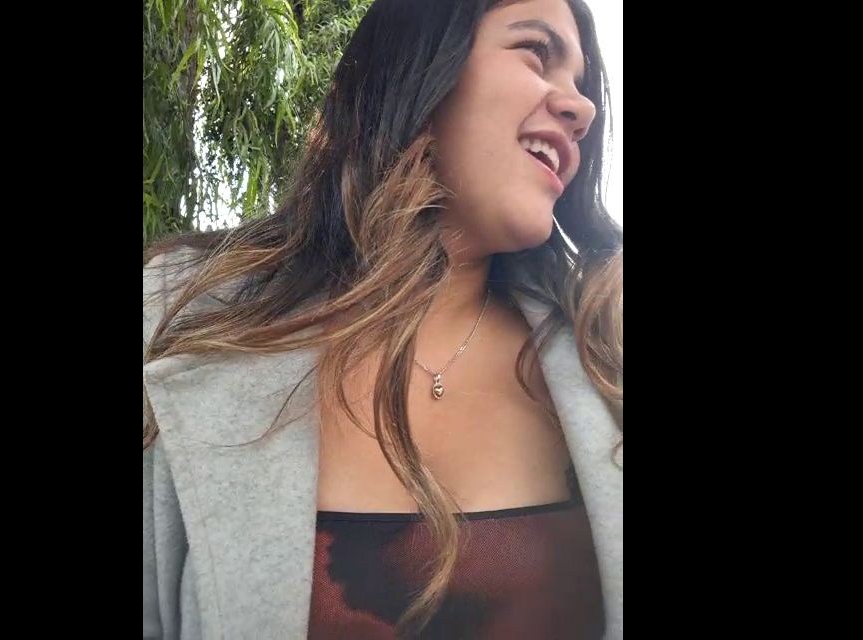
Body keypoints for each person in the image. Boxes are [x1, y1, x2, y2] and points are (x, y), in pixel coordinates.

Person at [143, 0, 622, 638]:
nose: (582, 108)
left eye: (582, 85)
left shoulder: (606, 355)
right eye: (536, 53)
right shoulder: (176, 322)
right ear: (418, 67)